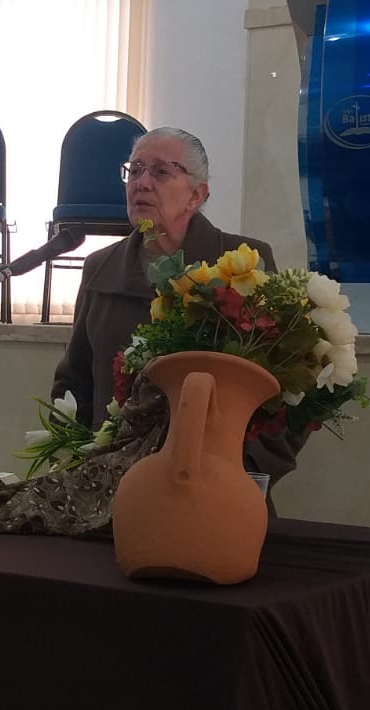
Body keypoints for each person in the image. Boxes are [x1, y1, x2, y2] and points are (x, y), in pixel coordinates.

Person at [51, 127, 308, 511]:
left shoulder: (244, 264)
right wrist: (79, 464)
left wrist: (249, 466)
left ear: (197, 195)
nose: (142, 183)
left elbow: (293, 389)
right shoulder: (100, 268)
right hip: (112, 496)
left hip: (218, 494)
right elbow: (73, 383)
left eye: (161, 171)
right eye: (135, 170)